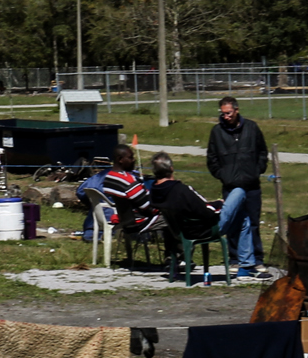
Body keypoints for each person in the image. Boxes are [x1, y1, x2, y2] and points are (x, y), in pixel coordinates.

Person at [207, 96, 269, 282]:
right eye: (223, 113)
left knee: (253, 222)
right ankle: (235, 260)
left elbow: (262, 152)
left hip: (251, 185)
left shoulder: (252, 128)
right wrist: (223, 175)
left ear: (236, 110)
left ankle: (256, 260)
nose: (226, 116)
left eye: (229, 113)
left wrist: (256, 171)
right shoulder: (217, 132)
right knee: (233, 222)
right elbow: (212, 159)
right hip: (231, 186)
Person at [146, 152, 227, 282]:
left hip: (177, 231)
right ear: (171, 169)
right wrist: (219, 205)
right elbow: (205, 211)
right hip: (201, 230)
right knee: (238, 195)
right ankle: (245, 264)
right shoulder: (181, 190)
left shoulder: (154, 191)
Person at [99, 144, 155, 234]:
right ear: (120, 160)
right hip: (140, 221)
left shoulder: (108, 178)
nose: (133, 160)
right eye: (130, 157)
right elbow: (148, 207)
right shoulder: (129, 182)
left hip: (123, 219)